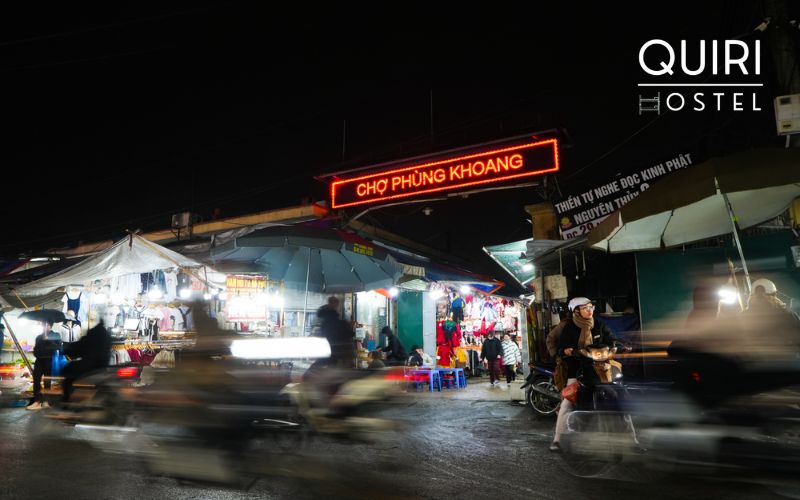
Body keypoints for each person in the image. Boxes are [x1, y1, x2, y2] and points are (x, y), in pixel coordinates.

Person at [550, 297, 619, 452]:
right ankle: (557, 439)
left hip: (599, 369)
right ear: (576, 311)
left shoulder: (599, 325)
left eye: (591, 307)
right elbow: (561, 348)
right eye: (585, 308)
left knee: (618, 397)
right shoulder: (568, 328)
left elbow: (610, 338)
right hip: (577, 371)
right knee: (567, 402)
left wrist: (615, 345)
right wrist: (566, 351)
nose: (590, 310)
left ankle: (633, 439)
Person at [61, 321, 112, 403]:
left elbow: (81, 346)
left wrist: (68, 350)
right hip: (102, 367)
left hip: (90, 367)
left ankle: (67, 402)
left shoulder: (93, 334)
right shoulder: (105, 334)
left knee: (67, 372)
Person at [27, 321, 63, 410]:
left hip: (49, 360)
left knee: (47, 381)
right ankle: (37, 401)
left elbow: (58, 347)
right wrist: (36, 353)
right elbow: (35, 350)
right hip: (39, 360)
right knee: (36, 380)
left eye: (46, 325)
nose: (44, 327)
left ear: (50, 326)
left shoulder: (56, 335)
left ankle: (46, 401)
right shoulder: (39, 337)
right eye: (43, 325)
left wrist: (49, 340)